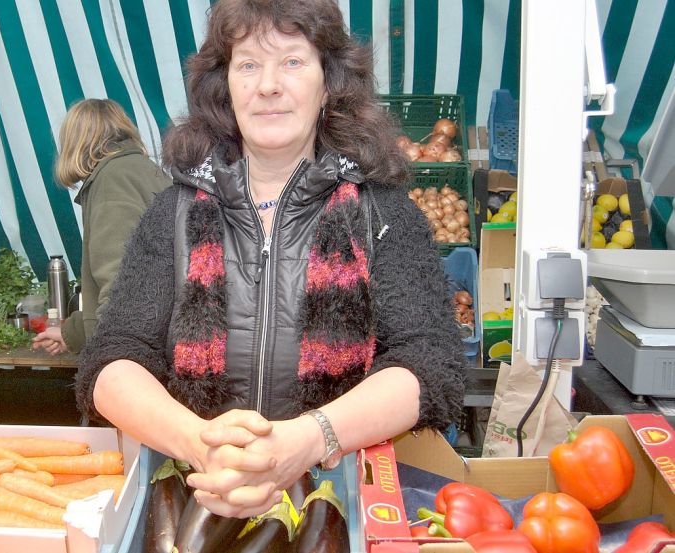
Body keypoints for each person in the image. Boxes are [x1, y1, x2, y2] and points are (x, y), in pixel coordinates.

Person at [77, 0, 466, 519]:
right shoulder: (174, 213)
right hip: (200, 499)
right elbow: (112, 359)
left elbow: (430, 363)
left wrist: (310, 439)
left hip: (338, 505)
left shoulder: (380, 212)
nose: (268, 85)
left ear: (328, 83)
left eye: (292, 61)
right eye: (249, 65)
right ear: (226, 87)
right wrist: (199, 442)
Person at [32, 99, 171, 355]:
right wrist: (69, 332)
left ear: (76, 142)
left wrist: (115, 358)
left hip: (137, 347)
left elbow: (119, 284)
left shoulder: (111, 181)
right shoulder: (144, 169)